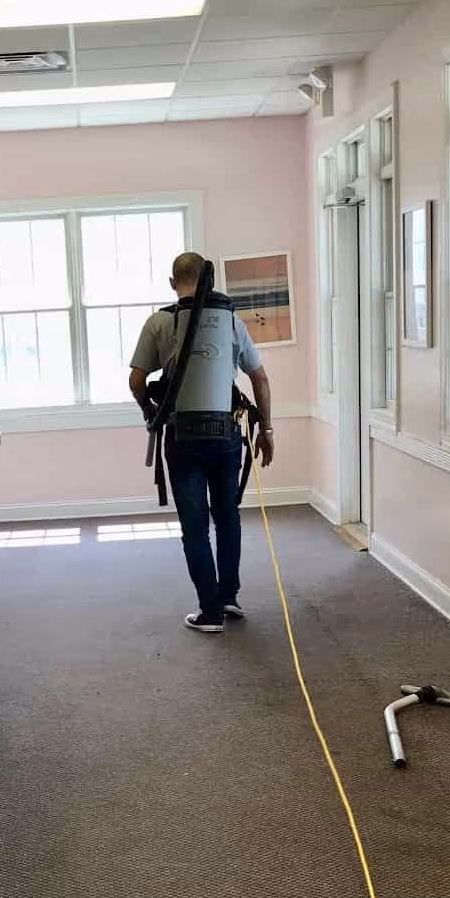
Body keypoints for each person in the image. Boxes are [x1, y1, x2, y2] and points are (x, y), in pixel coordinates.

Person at [128, 251, 274, 634]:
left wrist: (149, 411)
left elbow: (136, 381)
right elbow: (260, 379)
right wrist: (268, 430)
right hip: (226, 435)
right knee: (227, 517)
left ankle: (209, 612)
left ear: (173, 283)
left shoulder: (160, 321)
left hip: (184, 438)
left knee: (194, 527)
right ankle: (230, 597)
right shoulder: (230, 321)